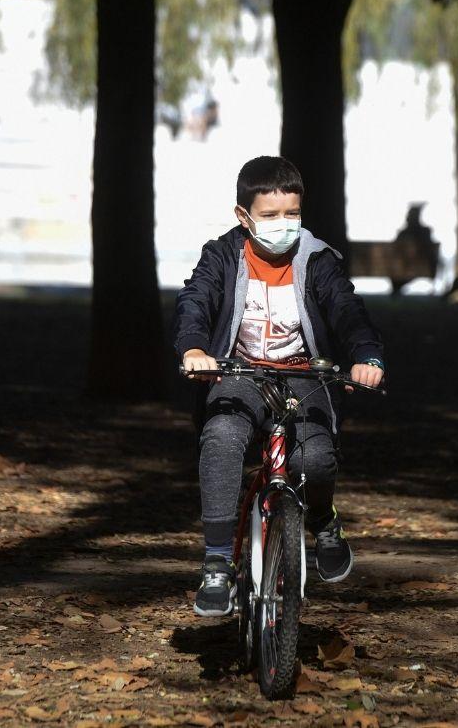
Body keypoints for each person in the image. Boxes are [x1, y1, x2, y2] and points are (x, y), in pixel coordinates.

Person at [175, 155, 385, 617]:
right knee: (223, 436)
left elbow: (348, 312)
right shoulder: (223, 256)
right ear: (243, 216)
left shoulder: (318, 260)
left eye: (292, 214)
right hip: (238, 371)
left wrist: (365, 357)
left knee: (315, 460)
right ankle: (216, 564)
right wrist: (194, 350)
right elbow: (196, 299)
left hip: (303, 375)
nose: (283, 225)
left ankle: (324, 519)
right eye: (270, 216)